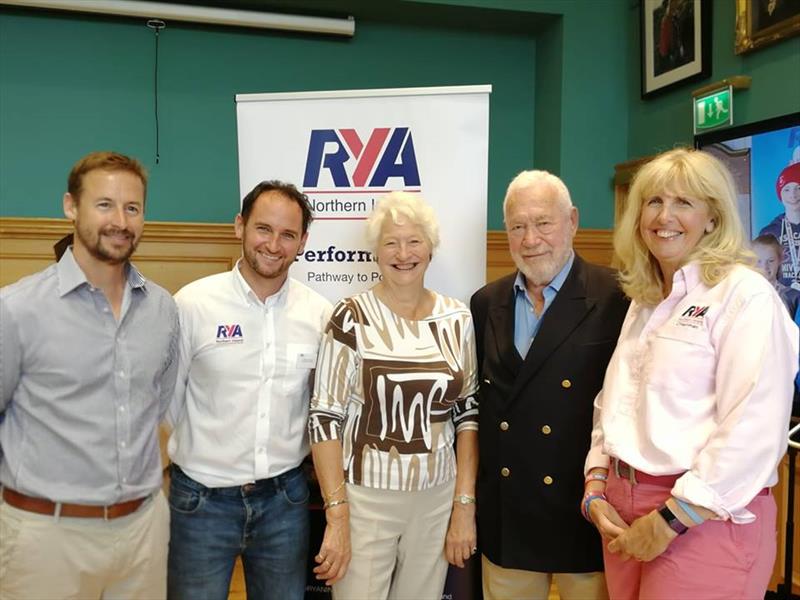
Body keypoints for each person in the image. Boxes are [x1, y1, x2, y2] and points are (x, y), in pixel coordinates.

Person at [584, 148, 798, 600]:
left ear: (713, 218)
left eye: (684, 202)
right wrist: (596, 484)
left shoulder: (745, 296)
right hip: (622, 509)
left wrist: (671, 519)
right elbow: (614, 402)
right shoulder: (646, 301)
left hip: (702, 518)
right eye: (654, 201)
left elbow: (752, 427)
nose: (665, 216)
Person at [0, 151, 179, 599]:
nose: (120, 220)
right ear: (70, 206)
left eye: (132, 208)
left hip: (142, 534)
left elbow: (155, 410)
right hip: (46, 539)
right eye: (104, 205)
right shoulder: (17, 309)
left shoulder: (162, 309)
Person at [165, 181, 332, 600]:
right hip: (199, 503)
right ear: (239, 226)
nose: (273, 244)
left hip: (285, 503)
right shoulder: (192, 304)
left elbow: (323, 411)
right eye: (263, 229)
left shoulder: (319, 315)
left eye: (288, 234)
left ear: (303, 242)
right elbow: (164, 404)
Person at [308, 192, 479, 600]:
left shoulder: (458, 318)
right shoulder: (350, 316)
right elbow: (324, 418)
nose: (403, 253)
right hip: (365, 500)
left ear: (431, 248)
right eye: (391, 242)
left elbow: (468, 414)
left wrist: (464, 504)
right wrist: (337, 514)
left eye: (414, 240)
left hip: (437, 498)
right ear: (376, 252)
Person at [470, 170, 629, 600]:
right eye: (518, 226)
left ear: (573, 221)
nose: (530, 238)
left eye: (543, 222)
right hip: (510, 511)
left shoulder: (618, 296)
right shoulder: (487, 302)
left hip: (585, 508)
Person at [759, 160, 800, 289]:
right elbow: (762, 273)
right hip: (780, 301)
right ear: (780, 194)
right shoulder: (769, 232)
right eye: (787, 189)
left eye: (798, 188)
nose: (793, 195)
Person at [753, 233, 800, 317]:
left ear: (780, 259)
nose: (765, 267)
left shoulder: (793, 297)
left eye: (770, 261)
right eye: (758, 261)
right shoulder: (743, 295)